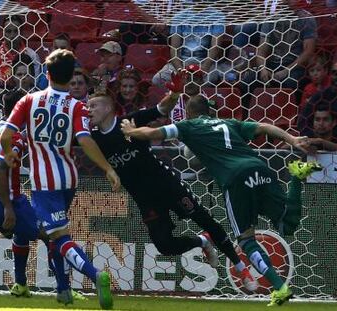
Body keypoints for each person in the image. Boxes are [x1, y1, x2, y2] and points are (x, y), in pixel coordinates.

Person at [120, 94, 323, 306]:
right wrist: (292, 139)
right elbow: (264, 126)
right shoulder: (229, 122)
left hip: (235, 178)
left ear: (189, 113)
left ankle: (281, 289)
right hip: (259, 168)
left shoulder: (187, 126)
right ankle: (296, 176)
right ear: (209, 111)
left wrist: (130, 131)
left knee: (246, 240)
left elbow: (153, 132)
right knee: (286, 223)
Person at [87, 71, 258, 292]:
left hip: (167, 185)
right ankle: (202, 242)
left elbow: (161, 109)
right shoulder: (92, 138)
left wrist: (176, 92)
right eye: (88, 107)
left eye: (94, 106)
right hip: (145, 199)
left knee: (203, 218)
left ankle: (240, 267)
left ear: (108, 108)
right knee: (164, 245)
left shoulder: (129, 122)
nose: (89, 110)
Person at [0, 49, 120, 309]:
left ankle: (94, 274)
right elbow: (85, 140)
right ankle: (63, 290)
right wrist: (108, 168)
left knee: (59, 237)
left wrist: (9, 155)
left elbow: (6, 135)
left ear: (47, 74)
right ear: (70, 76)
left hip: (44, 181)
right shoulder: (77, 106)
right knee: (56, 234)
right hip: (69, 177)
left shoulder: (28, 101)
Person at [0, 89, 86, 302]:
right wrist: (7, 207)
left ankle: (20, 284)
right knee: (51, 233)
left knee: (24, 230)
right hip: (4, 202)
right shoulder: (15, 137)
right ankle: (64, 289)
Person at [0, 15, 40, 123]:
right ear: (3, 33)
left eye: (16, 31)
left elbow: (35, 84)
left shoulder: (32, 55)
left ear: (21, 33)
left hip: (24, 93)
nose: (12, 35)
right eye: (8, 31)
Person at [152, 4, 225, 87]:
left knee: (206, 81)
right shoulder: (179, 16)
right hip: (182, 62)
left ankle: (196, 99)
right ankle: (176, 98)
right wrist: (180, 69)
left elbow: (215, 47)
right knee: (158, 79)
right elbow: (174, 48)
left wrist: (204, 69)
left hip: (205, 63)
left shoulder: (217, 16)